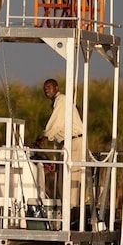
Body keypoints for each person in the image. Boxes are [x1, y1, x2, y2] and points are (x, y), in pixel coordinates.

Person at [34, 78, 85, 209]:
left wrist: (44, 136)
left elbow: (56, 123)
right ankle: (66, 208)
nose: (47, 91)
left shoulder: (61, 99)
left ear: (56, 88)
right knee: (63, 179)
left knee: (71, 177)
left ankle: (71, 210)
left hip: (75, 142)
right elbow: (59, 130)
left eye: (49, 87)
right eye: (45, 88)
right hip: (67, 144)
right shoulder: (58, 102)